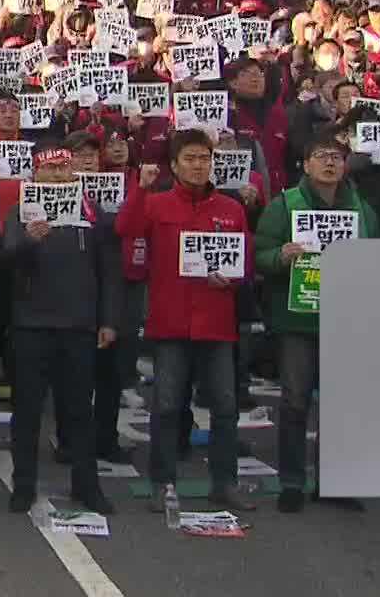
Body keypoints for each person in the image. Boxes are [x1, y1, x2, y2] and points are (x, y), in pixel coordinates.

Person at [115, 129, 257, 514]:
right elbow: (124, 230)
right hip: (170, 323)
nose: (198, 165)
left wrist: (234, 276)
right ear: (174, 166)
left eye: (204, 158)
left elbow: (245, 260)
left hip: (217, 323)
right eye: (190, 159)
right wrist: (140, 189)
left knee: (225, 407)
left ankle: (224, 483)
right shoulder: (157, 204)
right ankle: (162, 484)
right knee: (166, 406)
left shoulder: (230, 209)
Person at [252, 134, 378, 512]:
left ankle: (334, 481)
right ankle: (291, 481)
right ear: (305, 164)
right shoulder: (284, 205)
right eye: (321, 156)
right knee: (294, 400)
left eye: (337, 157)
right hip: (296, 319)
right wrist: (280, 256)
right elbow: (259, 255)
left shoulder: (361, 209)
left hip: (344, 319)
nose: (330, 163)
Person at [0, 144, 119, 516]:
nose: (57, 175)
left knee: (80, 411)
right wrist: (27, 240)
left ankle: (87, 486)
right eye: (49, 169)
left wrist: (108, 319)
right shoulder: (21, 211)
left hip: (79, 326)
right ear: (36, 174)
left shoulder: (92, 212)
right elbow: (6, 258)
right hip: (31, 325)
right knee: (27, 411)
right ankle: (23, 486)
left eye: (63, 168)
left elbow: (109, 272)